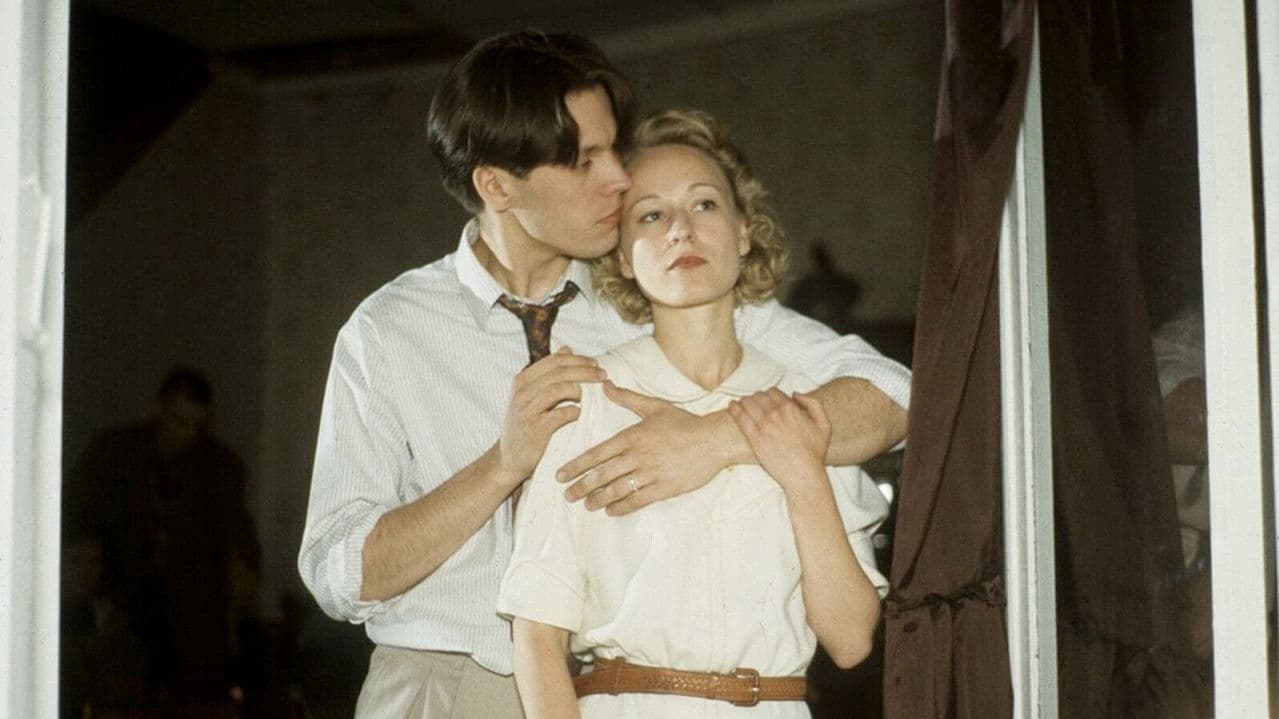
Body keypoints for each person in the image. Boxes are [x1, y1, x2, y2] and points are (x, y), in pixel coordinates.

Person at [297, 30, 909, 718]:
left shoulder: (657, 290)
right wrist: (501, 466)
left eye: (612, 148)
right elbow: (337, 573)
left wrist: (712, 439)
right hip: (447, 684)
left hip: (613, 692)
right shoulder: (389, 331)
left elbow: (894, 396)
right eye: (585, 160)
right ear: (496, 184)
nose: (619, 177)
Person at [498, 109, 890, 718]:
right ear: (623, 256)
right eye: (651, 215)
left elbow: (850, 640)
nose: (680, 230)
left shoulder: (803, 404)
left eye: (704, 204)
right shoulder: (587, 403)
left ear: (743, 232)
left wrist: (803, 473)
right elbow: (537, 639)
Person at [64, 368, 260, 715]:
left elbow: (240, 539)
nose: (188, 435)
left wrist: (241, 572)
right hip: (121, 612)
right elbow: (76, 519)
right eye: (180, 422)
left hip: (191, 625)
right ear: (158, 410)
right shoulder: (112, 454)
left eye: (198, 426)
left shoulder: (221, 468)